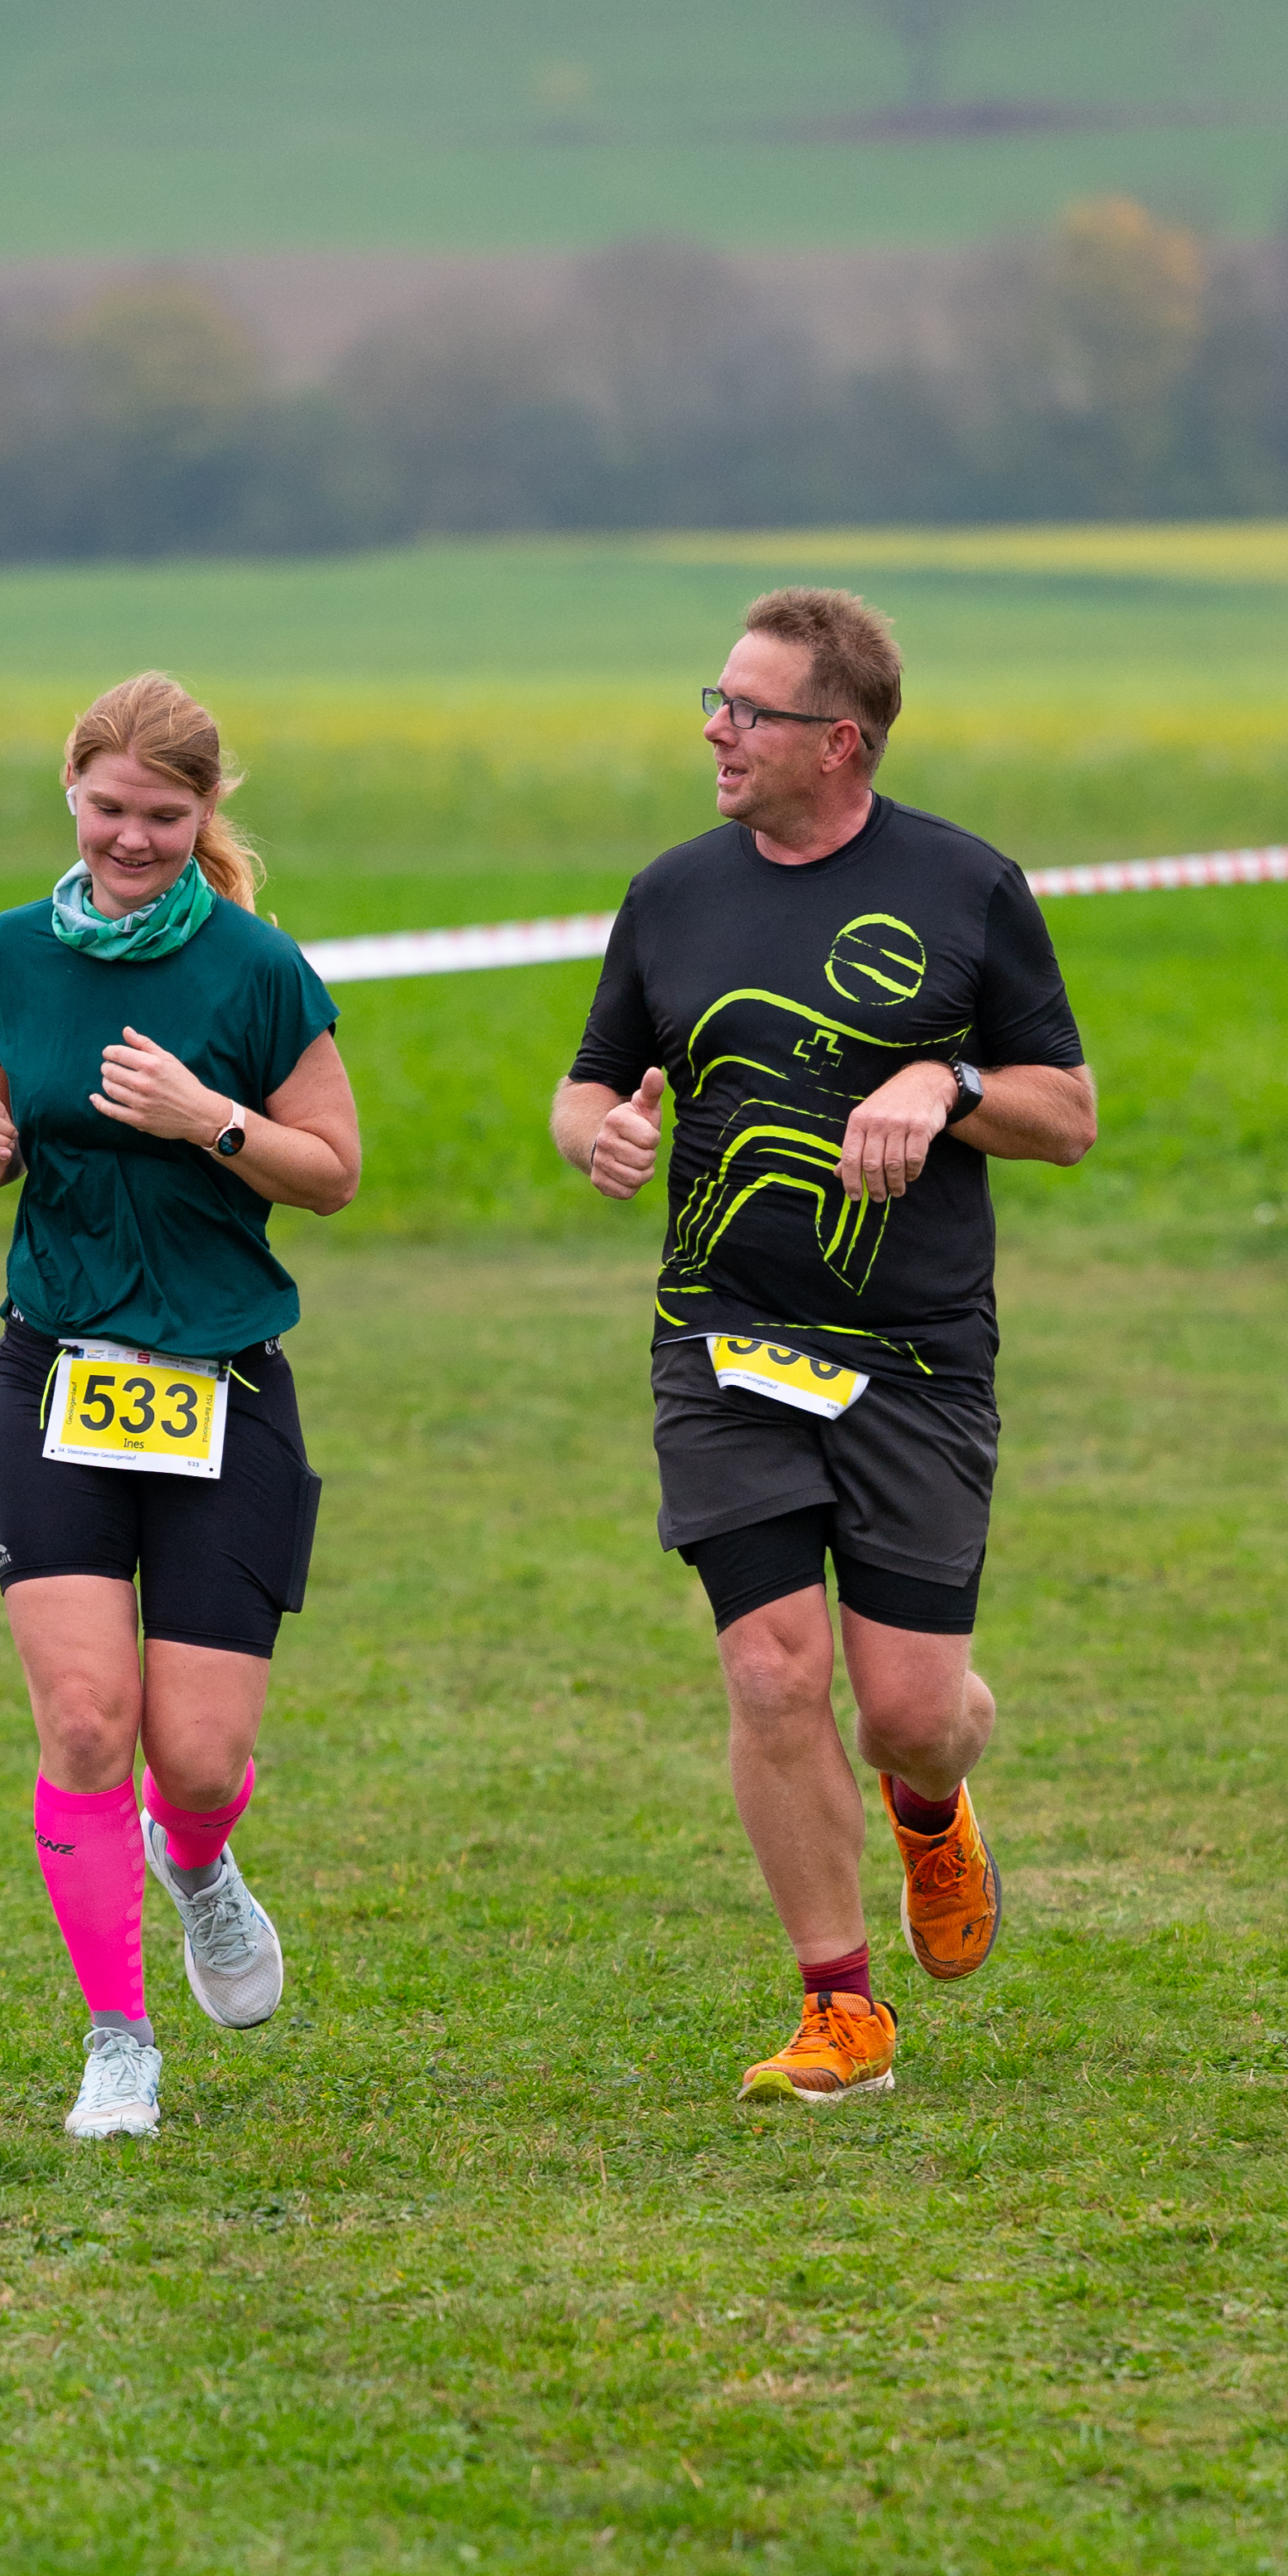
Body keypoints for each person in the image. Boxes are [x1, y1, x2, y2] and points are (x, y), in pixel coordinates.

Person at [552, 588, 1095, 2106]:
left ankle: (931, 1802)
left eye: (748, 711)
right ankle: (840, 2008)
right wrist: (601, 1136)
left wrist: (947, 1083)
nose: (715, 732)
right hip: (721, 1336)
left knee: (910, 1713)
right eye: (714, 700)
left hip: (915, 1355)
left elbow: (1066, 1113)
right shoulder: (670, 893)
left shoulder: (965, 886)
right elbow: (587, 1082)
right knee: (771, 1669)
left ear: (837, 739)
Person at [0, 671, 361, 2142]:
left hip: (220, 1386)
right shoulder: (7, 953)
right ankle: (117, 2041)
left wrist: (211, 1120)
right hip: (50, 1374)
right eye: (109, 807)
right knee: (83, 1723)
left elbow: (332, 1171)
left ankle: (197, 1861)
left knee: (193, 1760)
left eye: (164, 816)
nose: (131, 838)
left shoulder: (258, 971)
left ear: (205, 814)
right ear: (71, 792)